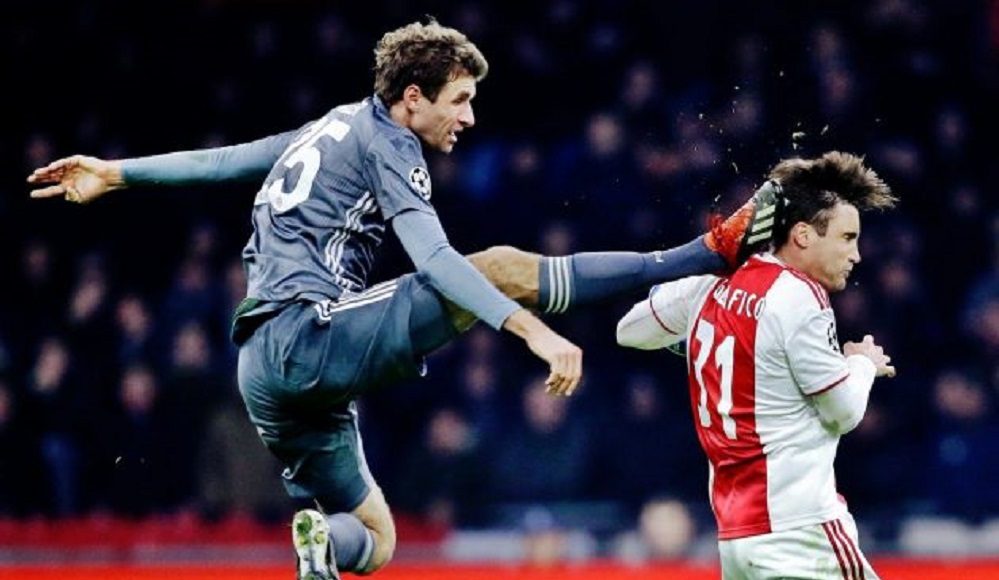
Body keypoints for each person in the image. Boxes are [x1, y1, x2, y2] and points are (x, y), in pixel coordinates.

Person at [28, 19, 775, 579]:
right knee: (499, 266)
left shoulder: (326, 126)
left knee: (376, 539)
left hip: (263, 373)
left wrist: (118, 173)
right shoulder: (389, 142)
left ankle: (321, 546)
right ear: (412, 98)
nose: (469, 117)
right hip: (308, 332)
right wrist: (534, 333)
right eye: (460, 100)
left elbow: (224, 160)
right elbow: (437, 260)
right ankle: (700, 253)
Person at [616, 151, 898, 579]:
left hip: (737, 541)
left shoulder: (714, 280)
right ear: (802, 235)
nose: (856, 254)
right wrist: (861, 364)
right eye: (846, 237)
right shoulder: (801, 297)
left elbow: (629, 330)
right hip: (802, 533)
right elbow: (842, 413)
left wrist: (696, 334)